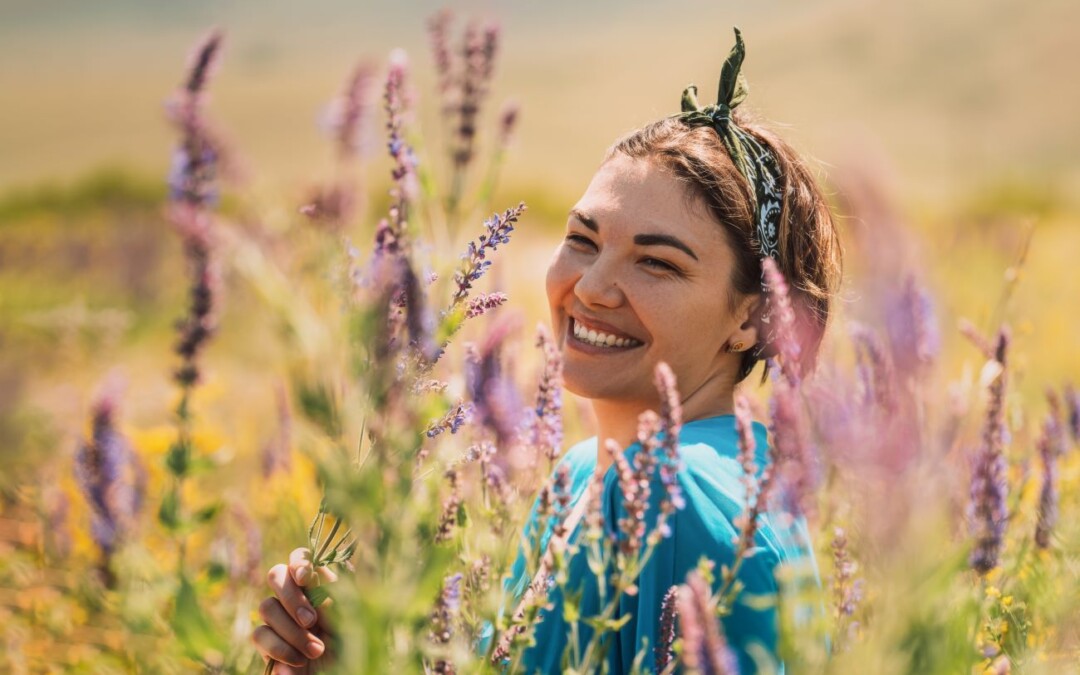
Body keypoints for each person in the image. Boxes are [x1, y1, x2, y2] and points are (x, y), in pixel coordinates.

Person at [253, 27, 842, 674]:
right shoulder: (593, 476)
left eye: (657, 263)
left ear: (752, 319)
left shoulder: (673, 494)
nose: (590, 288)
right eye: (584, 240)